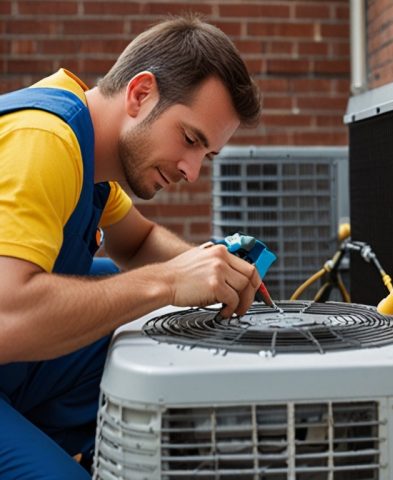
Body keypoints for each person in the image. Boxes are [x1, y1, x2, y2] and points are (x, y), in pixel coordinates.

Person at [0, 16, 262, 478]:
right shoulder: (45, 142)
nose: (192, 171)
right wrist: (169, 281)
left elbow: (138, 242)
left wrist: (212, 267)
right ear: (140, 94)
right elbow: (7, 318)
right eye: (189, 139)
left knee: (117, 292)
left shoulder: (90, 155)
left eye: (207, 155)